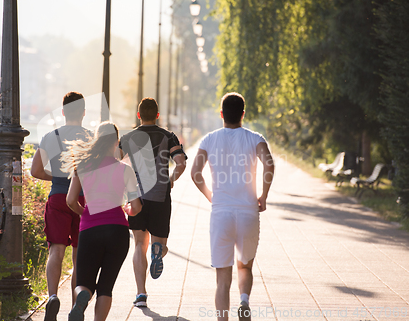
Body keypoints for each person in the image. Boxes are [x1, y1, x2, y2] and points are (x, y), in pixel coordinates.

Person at [190, 92, 274, 321]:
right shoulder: (255, 138)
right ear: (243, 114)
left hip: (221, 213)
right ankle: (244, 300)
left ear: (221, 114)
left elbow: (195, 173)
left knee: (222, 278)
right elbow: (269, 165)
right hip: (248, 212)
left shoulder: (209, 139)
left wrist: (210, 196)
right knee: (245, 267)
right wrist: (263, 196)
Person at [63, 122, 142, 321]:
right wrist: (128, 210)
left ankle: (83, 295)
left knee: (84, 282)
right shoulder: (125, 170)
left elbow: (70, 201)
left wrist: (84, 213)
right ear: (116, 142)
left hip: (90, 229)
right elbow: (137, 206)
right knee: (106, 286)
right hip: (118, 230)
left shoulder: (82, 166)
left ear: (96, 140)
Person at [119, 97, 187, 308]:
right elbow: (181, 163)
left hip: (136, 196)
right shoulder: (168, 136)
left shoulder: (128, 137)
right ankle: (158, 251)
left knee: (139, 245)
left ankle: (141, 294)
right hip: (160, 195)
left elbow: (114, 163)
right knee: (160, 244)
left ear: (139, 115)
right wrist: (171, 180)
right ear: (157, 115)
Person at [30, 91, 91, 321]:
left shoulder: (50, 137)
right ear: (83, 113)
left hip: (57, 197)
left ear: (63, 112)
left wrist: (57, 178)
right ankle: (75, 306)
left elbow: (35, 170)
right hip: (83, 201)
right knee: (78, 255)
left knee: (56, 249)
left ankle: (53, 296)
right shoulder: (91, 138)